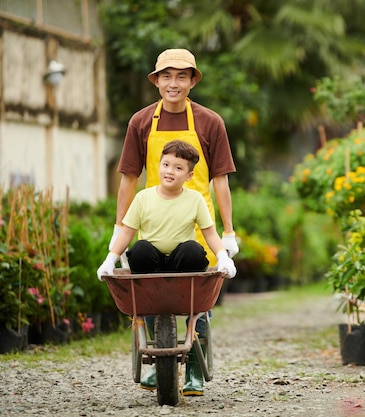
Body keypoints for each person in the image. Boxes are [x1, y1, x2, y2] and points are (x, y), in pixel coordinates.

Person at [108, 48, 240, 396]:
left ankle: (196, 369)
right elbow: (129, 178)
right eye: (166, 76)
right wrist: (120, 226)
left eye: (182, 76)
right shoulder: (140, 122)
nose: (173, 83)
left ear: (193, 81)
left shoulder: (210, 122)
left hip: (199, 226)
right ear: (156, 81)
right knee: (151, 293)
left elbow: (221, 181)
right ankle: (155, 363)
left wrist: (228, 232)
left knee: (199, 300)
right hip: (154, 224)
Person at [97, 140, 236, 395]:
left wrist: (222, 256)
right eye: (166, 164)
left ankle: (194, 369)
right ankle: (152, 368)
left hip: (183, 268)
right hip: (152, 269)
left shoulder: (195, 200)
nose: (170, 171)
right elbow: (128, 232)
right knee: (139, 249)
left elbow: (209, 233)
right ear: (158, 167)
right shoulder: (143, 198)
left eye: (178, 167)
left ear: (190, 175)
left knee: (194, 249)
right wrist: (110, 258)